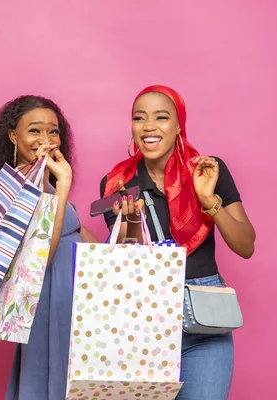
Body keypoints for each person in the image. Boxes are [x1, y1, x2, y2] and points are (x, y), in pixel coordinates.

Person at [99, 85, 256, 400]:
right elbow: (125, 269)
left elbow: (246, 245)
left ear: (179, 125)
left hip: (204, 324)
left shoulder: (208, 170)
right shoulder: (116, 184)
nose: (149, 127)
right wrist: (129, 225)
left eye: (161, 117)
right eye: (139, 118)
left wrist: (210, 202)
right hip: (143, 323)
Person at [0, 95, 97, 400]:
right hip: (52, 304)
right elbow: (40, 259)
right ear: (14, 136)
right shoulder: (14, 188)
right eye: (35, 130)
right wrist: (63, 187)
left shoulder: (45, 182)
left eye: (53, 131)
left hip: (79, 304)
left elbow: (82, 238)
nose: (46, 139)